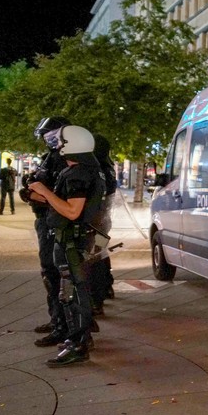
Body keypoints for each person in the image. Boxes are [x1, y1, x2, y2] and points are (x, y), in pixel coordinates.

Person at [28, 125, 106, 367]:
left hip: (72, 241)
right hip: (71, 239)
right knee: (70, 292)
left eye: (60, 143)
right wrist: (38, 194)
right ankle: (76, 341)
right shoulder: (81, 171)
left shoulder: (79, 174)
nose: (56, 147)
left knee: (72, 293)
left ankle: (79, 344)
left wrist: (43, 191)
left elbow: (73, 211)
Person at [21, 117, 72, 340]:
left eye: (48, 135)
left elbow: (62, 196)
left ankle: (63, 326)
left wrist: (38, 195)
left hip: (55, 222)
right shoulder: (52, 157)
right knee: (49, 273)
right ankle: (57, 321)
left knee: (55, 273)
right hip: (45, 220)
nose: (45, 140)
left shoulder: (65, 159)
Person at [88, 133, 119, 314]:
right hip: (103, 224)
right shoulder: (108, 167)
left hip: (95, 223)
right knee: (101, 256)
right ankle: (106, 286)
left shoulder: (97, 170)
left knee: (95, 259)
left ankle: (97, 298)